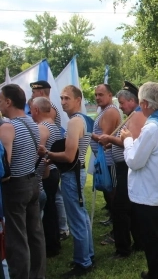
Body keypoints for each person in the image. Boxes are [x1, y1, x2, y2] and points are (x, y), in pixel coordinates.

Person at [121, 82, 158, 279]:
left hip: (149, 194)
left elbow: (134, 161)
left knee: (154, 241)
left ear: (145, 103)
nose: (138, 107)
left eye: (139, 103)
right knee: (156, 239)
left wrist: (127, 140)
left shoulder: (152, 128)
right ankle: (156, 272)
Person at [38, 85, 94, 278]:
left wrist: (49, 154)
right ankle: (88, 255)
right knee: (82, 215)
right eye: (61, 98)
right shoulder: (85, 120)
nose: (62, 102)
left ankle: (83, 262)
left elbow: (70, 156)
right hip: (78, 172)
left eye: (67, 98)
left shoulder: (74, 122)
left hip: (73, 173)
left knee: (77, 218)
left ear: (78, 100)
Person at [0, 84, 46, 279]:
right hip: (32, 182)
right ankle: (39, 274)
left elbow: (5, 167)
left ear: (8, 102)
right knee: (35, 233)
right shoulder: (32, 123)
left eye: (0, 100)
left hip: (16, 186)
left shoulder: (8, 127)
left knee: (17, 238)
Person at [98, 81, 146, 258]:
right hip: (123, 167)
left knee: (119, 208)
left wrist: (109, 140)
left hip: (126, 168)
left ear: (132, 101)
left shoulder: (137, 116)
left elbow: (132, 141)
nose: (121, 107)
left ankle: (123, 249)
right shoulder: (133, 115)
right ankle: (139, 242)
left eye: (122, 103)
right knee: (129, 208)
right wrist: (112, 144)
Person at [30, 80, 70, 240]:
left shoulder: (44, 125)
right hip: (52, 169)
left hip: (48, 169)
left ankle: (54, 239)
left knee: (50, 208)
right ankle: (56, 236)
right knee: (52, 203)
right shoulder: (50, 122)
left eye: (34, 92)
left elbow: (40, 149)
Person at [30, 97, 63, 257]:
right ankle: (54, 243)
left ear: (36, 110)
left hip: (46, 172)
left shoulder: (42, 127)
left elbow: (38, 152)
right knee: (51, 209)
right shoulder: (53, 125)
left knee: (48, 211)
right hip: (53, 170)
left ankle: (50, 246)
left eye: (31, 110)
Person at [90, 84, 121, 228]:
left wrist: (90, 135)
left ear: (110, 95)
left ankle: (117, 227)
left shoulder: (110, 111)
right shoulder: (104, 111)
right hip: (103, 160)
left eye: (101, 94)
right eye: (96, 95)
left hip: (109, 159)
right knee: (108, 192)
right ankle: (114, 220)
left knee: (113, 193)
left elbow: (105, 137)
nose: (97, 97)